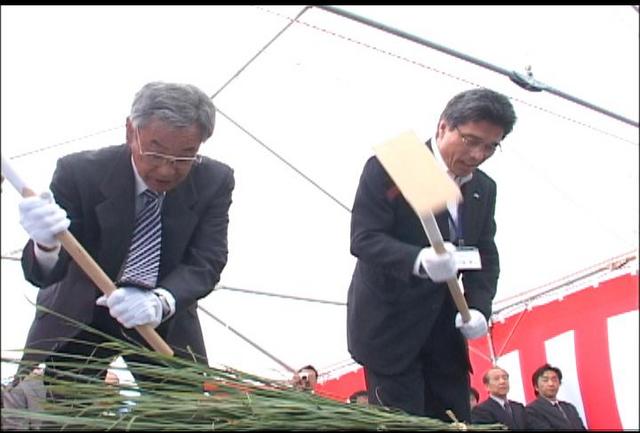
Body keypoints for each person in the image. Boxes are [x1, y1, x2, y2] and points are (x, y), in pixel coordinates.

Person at [5, 81, 234, 407]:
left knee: (183, 415)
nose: (166, 170)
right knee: (69, 413)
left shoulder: (214, 181)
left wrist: (161, 301)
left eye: (185, 157)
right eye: (155, 153)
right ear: (131, 131)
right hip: (82, 314)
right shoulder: (79, 172)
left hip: (162, 322)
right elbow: (45, 274)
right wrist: (45, 245)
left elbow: (207, 260)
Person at [346, 87, 516, 422]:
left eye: (491, 146)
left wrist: (479, 308)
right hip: (392, 331)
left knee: (453, 420)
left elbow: (485, 255)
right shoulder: (394, 167)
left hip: (445, 334)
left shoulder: (483, 187)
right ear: (443, 127)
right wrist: (418, 260)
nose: (478, 154)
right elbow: (364, 239)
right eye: (471, 140)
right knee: (405, 423)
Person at [525, 363, 586, 430]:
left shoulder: (570, 407)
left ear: (559, 383)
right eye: (545, 380)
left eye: (554, 380)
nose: (551, 384)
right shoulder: (531, 410)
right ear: (536, 387)